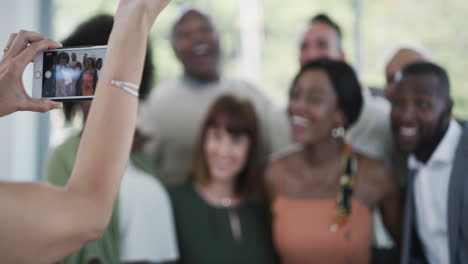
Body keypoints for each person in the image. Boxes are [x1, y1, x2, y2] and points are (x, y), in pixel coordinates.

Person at [0, 0, 171, 262]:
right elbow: (88, 218)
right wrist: (135, 17)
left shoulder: (144, 158)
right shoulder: (64, 157)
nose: (97, 83)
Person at [46, 14, 179, 264]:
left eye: (113, 78)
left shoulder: (142, 154)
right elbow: (64, 245)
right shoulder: (64, 158)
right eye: (90, 79)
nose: (103, 92)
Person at [267, 59, 401, 264]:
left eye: (314, 99)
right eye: (295, 95)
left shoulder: (375, 174)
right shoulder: (274, 174)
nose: (297, 107)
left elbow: (409, 249)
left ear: (341, 115)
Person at [138, 6, 289, 185]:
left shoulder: (250, 93)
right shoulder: (158, 104)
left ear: (219, 37)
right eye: (185, 34)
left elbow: (282, 149)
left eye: (205, 29)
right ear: (174, 49)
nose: (198, 38)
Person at [170, 94, 277, 264]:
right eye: (216, 136)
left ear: (251, 148)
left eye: (236, 140)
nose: (224, 150)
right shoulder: (174, 202)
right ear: (204, 139)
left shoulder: (263, 205)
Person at [391, 62, 468, 264]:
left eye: (422, 104)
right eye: (398, 103)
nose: (406, 116)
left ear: (448, 108)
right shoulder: (414, 158)